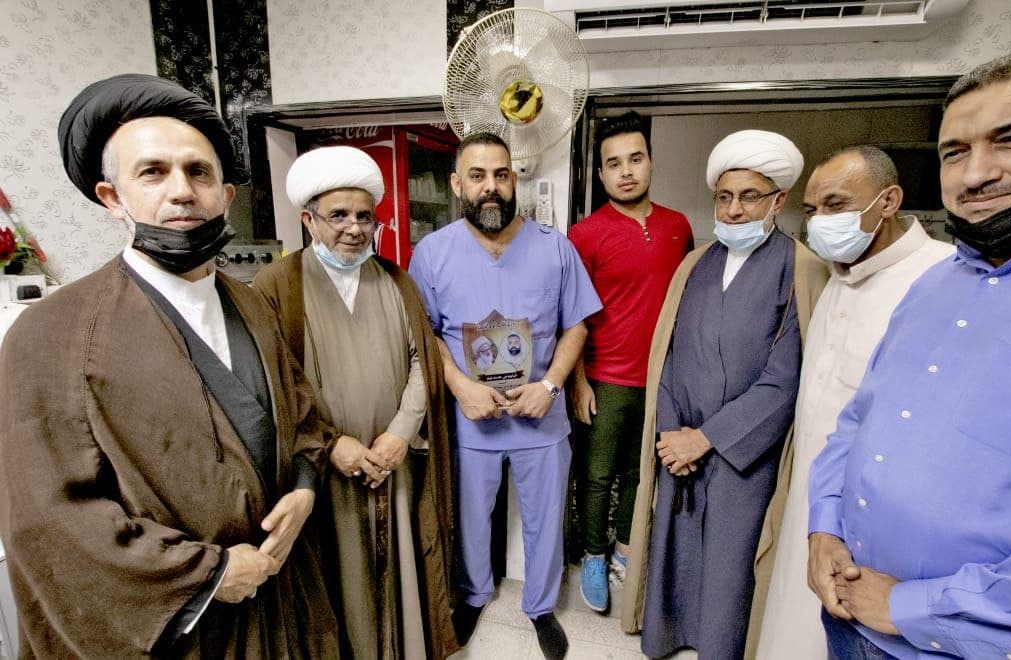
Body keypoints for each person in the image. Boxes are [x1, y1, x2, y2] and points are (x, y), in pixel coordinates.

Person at [0, 74, 338, 657]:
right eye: (153, 172)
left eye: (198, 172)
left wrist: (305, 489)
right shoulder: (54, 332)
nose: (181, 192)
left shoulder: (253, 306)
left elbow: (304, 418)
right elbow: (48, 521)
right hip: (177, 627)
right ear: (112, 197)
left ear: (225, 196)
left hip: (281, 593)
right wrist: (206, 576)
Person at [807, 48, 1011, 659]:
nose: (975, 174)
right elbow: (859, 419)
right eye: (954, 152)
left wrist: (912, 606)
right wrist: (824, 526)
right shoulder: (933, 286)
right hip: (849, 618)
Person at [621, 129, 829, 660]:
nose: (734, 210)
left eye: (749, 196)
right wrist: (672, 434)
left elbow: (784, 381)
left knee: (729, 559)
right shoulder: (695, 264)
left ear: (778, 200)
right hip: (679, 444)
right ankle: (669, 634)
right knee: (677, 546)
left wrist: (706, 439)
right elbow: (668, 355)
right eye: (724, 197)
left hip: (744, 452)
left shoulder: (799, 268)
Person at [252, 146, 457, 660]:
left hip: (393, 463)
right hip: (322, 470)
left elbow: (423, 362)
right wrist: (330, 444)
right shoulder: (277, 286)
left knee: (401, 567)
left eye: (365, 217)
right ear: (308, 220)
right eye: (338, 215)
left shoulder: (395, 280)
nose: (354, 229)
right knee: (338, 579)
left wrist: (400, 434)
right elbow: (273, 383)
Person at [752, 146, 953, 660]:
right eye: (813, 209)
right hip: (811, 504)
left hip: (874, 527)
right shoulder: (836, 275)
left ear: (888, 201)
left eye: (836, 205)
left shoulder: (940, 279)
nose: (820, 220)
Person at [409, 132, 602, 660]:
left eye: (500, 175)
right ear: (457, 185)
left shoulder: (554, 248)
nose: (490, 187)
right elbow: (425, 334)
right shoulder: (432, 254)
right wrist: (460, 387)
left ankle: (540, 607)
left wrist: (551, 386)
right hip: (472, 419)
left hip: (540, 416)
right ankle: (474, 595)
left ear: (514, 180)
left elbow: (577, 325)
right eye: (477, 176)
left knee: (545, 516)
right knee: (472, 517)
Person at [567, 111, 693, 613]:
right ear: (600, 174)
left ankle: (624, 548)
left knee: (643, 473)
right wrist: (578, 383)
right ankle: (593, 557)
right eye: (614, 163)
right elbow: (571, 315)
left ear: (650, 162)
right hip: (605, 378)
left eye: (635, 159)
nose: (626, 172)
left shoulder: (677, 227)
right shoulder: (584, 234)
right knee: (597, 476)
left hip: (662, 377)